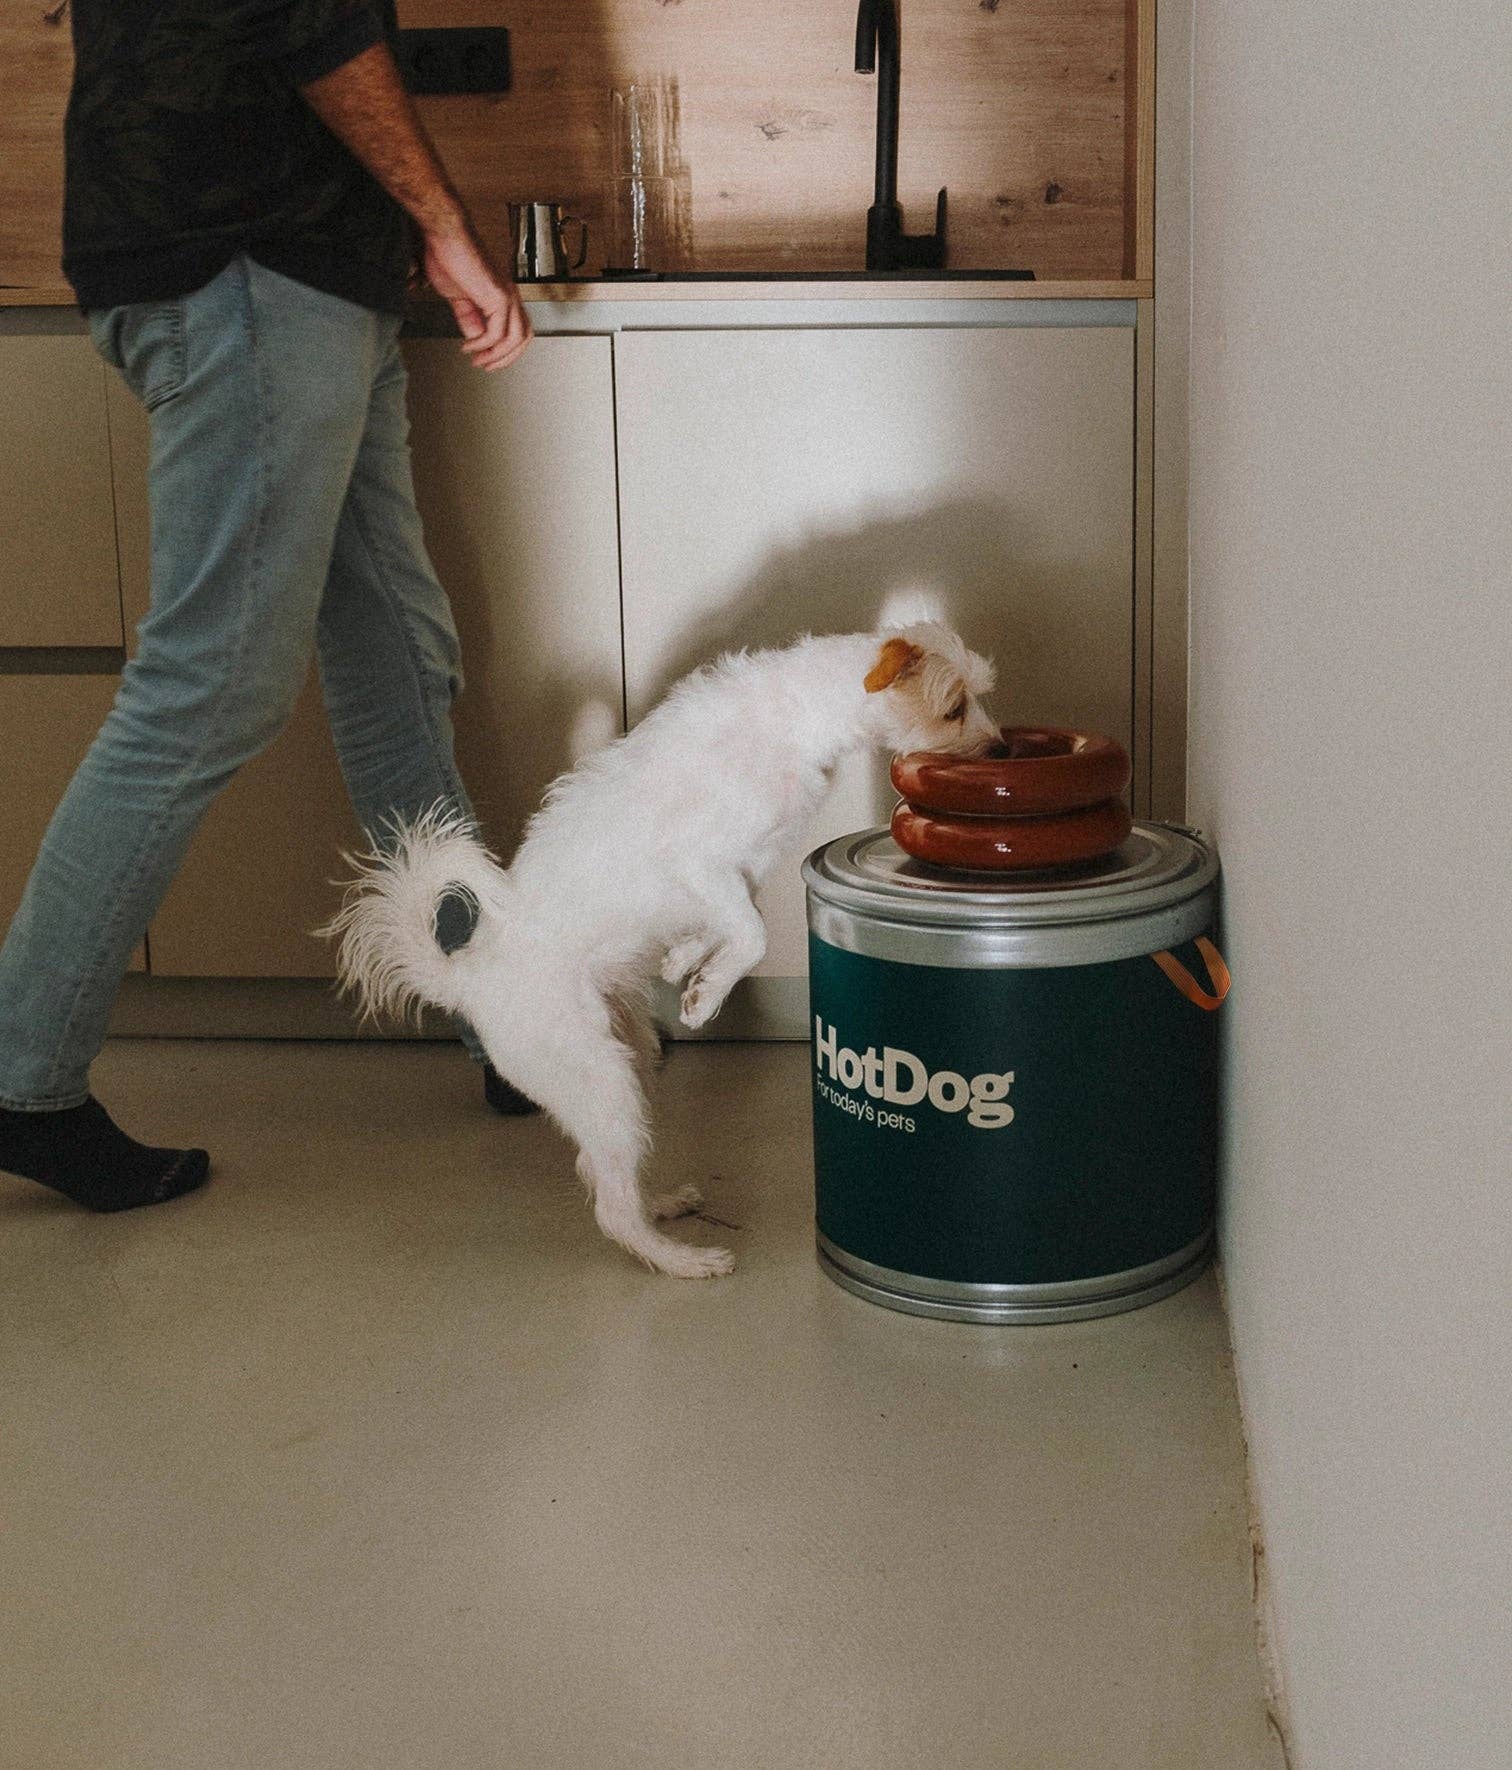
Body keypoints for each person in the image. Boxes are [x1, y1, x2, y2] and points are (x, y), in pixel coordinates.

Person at [0, 0, 534, 1214]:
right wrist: (443, 225)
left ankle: (504, 1014)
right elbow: (316, 21)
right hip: (250, 270)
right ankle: (20, 1078)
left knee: (397, 659)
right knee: (210, 687)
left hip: (297, 276)